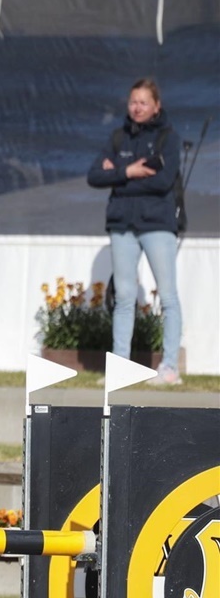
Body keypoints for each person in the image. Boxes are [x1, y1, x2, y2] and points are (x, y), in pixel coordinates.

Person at [87, 77, 183, 385]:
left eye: (143, 102)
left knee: (167, 295)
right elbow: (94, 176)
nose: (137, 108)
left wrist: (117, 178)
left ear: (156, 106)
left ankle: (170, 368)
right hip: (122, 225)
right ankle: (120, 368)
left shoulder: (169, 138)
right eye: (133, 102)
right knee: (124, 297)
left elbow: (163, 181)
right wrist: (128, 171)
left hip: (157, 224)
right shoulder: (118, 138)